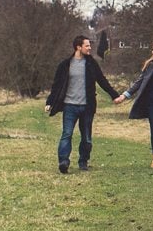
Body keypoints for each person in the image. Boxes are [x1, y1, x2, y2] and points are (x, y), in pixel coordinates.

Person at [45, 35, 119, 174]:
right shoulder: (65, 65)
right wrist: (49, 102)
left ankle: (83, 161)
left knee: (86, 137)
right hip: (69, 106)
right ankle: (63, 162)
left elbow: (102, 80)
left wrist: (114, 95)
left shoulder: (91, 64)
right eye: (87, 45)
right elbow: (56, 85)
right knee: (66, 134)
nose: (90, 48)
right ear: (78, 47)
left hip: (87, 106)